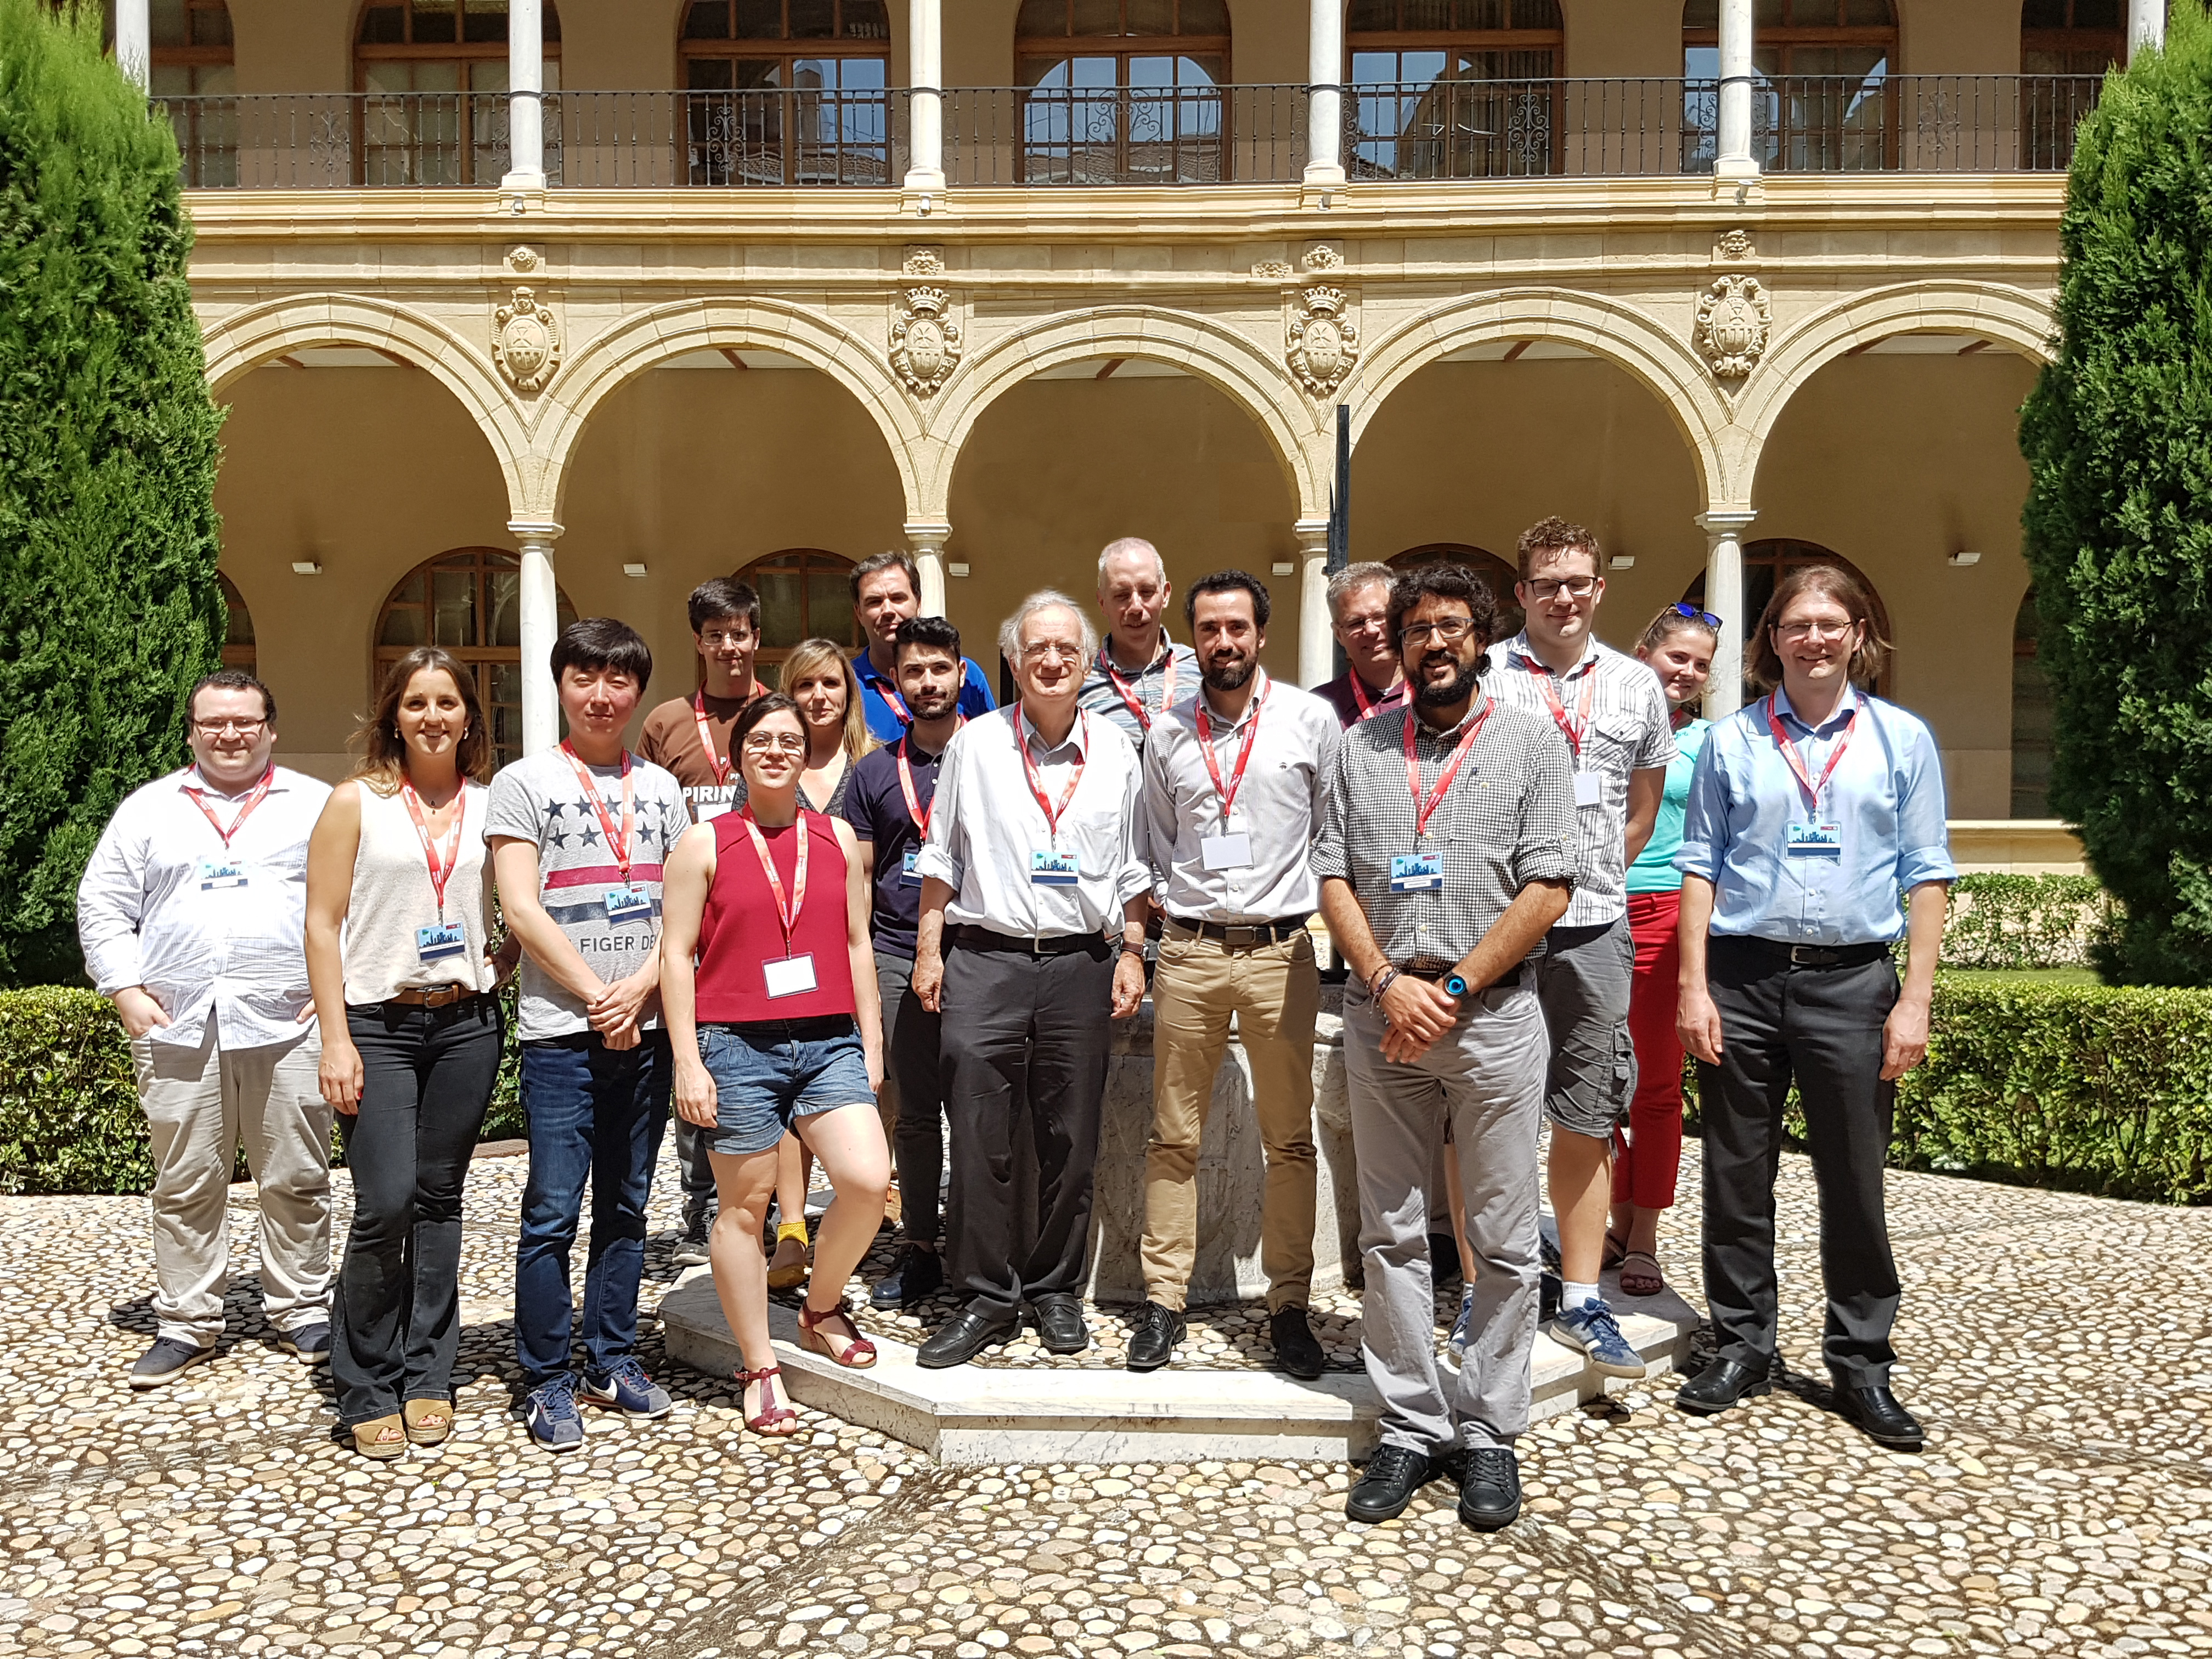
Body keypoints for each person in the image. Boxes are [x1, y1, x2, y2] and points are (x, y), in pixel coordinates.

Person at [1313, 563, 1575, 1534]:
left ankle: (1490, 1428)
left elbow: (1549, 882)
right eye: (1416, 627)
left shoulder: (1531, 741)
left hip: (1493, 1017)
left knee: (1503, 1238)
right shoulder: (1357, 746)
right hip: (1383, 1018)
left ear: (1481, 638)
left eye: (1450, 627)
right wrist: (1388, 983)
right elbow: (1330, 872)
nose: (1431, 643)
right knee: (1389, 1231)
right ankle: (1412, 1423)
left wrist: (1454, 988)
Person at [1673, 564, 1952, 1451]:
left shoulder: (1900, 740)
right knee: (1733, 1173)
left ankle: (1862, 1362)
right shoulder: (1730, 741)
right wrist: (1691, 985)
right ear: (1772, 640)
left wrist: (1912, 998)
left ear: (1858, 634)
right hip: (1743, 976)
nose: (1815, 638)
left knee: (1853, 1181)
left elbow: (1926, 871)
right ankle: (1742, 1344)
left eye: (1832, 622)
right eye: (1797, 623)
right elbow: (1698, 866)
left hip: (1851, 983)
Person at [910, 590, 1150, 1368]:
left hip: (1081, 962)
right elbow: (941, 855)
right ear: (1012, 662)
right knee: (978, 1130)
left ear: (1087, 664)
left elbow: (1136, 864)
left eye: (1068, 650)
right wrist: (928, 949)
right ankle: (986, 1293)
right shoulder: (975, 745)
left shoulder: (1118, 751)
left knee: (1069, 1133)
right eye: (1036, 649)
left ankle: (1052, 1286)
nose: (1052, 661)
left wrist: (1135, 948)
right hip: (986, 959)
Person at [78, 670, 336, 1389]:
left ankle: (303, 1308)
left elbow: (356, 896)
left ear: (271, 728)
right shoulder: (149, 810)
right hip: (178, 1021)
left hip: (287, 1019)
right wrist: (125, 989)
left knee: (297, 1174)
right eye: (215, 723)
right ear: (192, 730)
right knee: (186, 1179)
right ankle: (187, 1320)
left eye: (245, 722)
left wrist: (334, 988)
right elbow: (102, 903)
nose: (230, 735)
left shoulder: (315, 806)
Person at [660, 693, 892, 1438]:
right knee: (743, 1208)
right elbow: (675, 956)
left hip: (826, 1039)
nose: (776, 751)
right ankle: (760, 1363)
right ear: (739, 754)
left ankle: (819, 1305)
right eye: (760, 739)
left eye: (790, 740)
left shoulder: (836, 836)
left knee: (865, 1180)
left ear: (808, 750)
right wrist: (689, 1062)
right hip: (737, 1043)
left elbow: (859, 944)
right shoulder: (704, 843)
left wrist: (873, 1040)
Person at [304, 646, 516, 1458]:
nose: (433, 717)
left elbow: (523, 905)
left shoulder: (492, 804)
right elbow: (322, 924)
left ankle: (429, 1371)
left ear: (471, 716)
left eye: (449, 703)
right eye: (418, 703)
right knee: (384, 1200)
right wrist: (334, 1037)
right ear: (393, 713)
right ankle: (364, 1377)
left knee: (439, 1199)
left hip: (465, 1026)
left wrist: (502, 963)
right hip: (377, 1027)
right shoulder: (356, 802)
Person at [487, 618, 691, 1453]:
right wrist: (597, 993)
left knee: (629, 1203)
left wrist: (641, 988)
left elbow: (688, 906)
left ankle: (612, 1356)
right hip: (562, 1033)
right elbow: (520, 906)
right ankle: (545, 1377)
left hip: (643, 1027)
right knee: (551, 1210)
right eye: (585, 679)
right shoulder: (524, 782)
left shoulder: (664, 790)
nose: (602, 696)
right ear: (561, 684)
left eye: (618, 682)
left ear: (637, 691)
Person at [1133, 569, 1339, 1378]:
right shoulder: (1166, 733)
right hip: (1186, 952)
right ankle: (1162, 1301)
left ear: (1262, 634)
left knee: (1289, 1140)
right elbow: (1153, 843)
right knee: (1171, 1136)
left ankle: (1290, 1305)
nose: (1225, 643)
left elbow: (1332, 831)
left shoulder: (1308, 722)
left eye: (1238, 629)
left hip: (1282, 954)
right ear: (1194, 639)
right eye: (1210, 629)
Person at [1482, 517, 1674, 1382]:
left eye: (1579, 582)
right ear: (1522, 593)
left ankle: (1583, 1300)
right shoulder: (1487, 674)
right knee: (1487, 1108)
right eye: (1547, 582)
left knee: (1587, 1113)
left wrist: (1586, 878)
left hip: (1596, 925)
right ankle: (1491, 1291)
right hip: (1499, 930)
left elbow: (1642, 807)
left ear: (1600, 590)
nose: (1564, 596)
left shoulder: (1637, 687)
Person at [637, 577, 770, 1269]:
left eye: (740, 632)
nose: (730, 645)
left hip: (761, 914)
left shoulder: (774, 714)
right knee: (701, 1060)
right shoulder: (665, 723)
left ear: (755, 636)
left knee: (771, 1063)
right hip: (693, 917)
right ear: (698, 641)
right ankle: (700, 1205)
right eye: (715, 634)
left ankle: (769, 1207)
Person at [843, 616, 968, 1308]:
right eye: (913, 671)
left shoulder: (991, 756)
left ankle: (977, 1244)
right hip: (895, 950)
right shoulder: (873, 772)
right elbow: (860, 877)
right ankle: (920, 1245)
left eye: (939, 669)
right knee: (916, 1112)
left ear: (960, 673)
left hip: (980, 952)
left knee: (981, 1111)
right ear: (895, 682)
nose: (927, 682)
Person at [761, 636, 879, 1290]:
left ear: (848, 691)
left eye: (830, 683)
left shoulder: (875, 764)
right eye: (805, 685)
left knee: (852, 1083)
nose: (819, 697)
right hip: (784, 950)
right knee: (785, 1092)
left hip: (856, 940)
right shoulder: (771, 762)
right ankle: (791, 1228)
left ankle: (862, 1208)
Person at [1610, 604, 1719, 1299]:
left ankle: (1643, 1233)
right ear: (1644, 651)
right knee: (1589, 1085)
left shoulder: (1712, 740)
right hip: (1586, 910)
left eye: (1701, 664)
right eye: (1677, 656)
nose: (1687, 673)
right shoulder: (1604, 723)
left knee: (1654, 1088)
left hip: (1666, 914)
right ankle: (1610, 1215)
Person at [849, 552, 996, 742]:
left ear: (918, 603)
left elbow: (993, 744)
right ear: (858, 612)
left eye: (898, 598)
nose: (888, 611)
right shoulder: (847, 684)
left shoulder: (968, 677)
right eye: (874, 602)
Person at [1077, 537, 1199, 746]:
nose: (1136, 606)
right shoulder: (1081, 680)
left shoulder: (1202, 670)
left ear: (1165, 595)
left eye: (1147, 592)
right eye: (1122, 595)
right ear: (1102, 602)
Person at [1312, 562, 1410, 729]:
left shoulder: (1437, 695)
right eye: (1356, 623)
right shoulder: (1318, 708)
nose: (1371, 630)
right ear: (1338, 634)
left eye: (1380, 616)